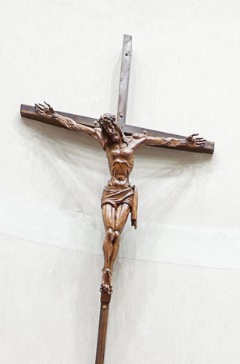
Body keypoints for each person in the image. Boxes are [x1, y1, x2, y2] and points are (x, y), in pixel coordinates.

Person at [26, 105, 209, 307]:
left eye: (111, 128)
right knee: (109, 232)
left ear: (116, 127)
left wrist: (187, 142)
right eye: (106, 130)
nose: (110, 133)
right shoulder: (105, 143)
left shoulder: (137, 141)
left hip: (126, 193)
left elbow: (166, 141)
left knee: (116, 233)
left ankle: (109, 271)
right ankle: (106, 270)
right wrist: (54, 116)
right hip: (110, 191)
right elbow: (76, 126)